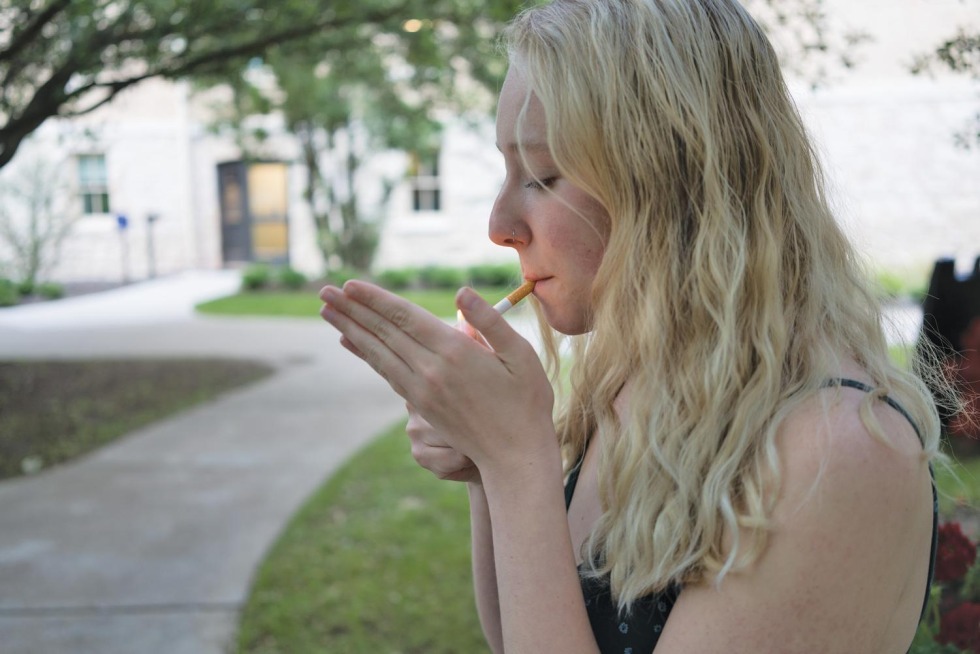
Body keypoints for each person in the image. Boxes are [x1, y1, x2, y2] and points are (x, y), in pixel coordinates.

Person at [319, 0, 944, 651]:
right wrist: (489, 466)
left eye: (540, 175)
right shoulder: (631, 384)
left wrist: (514, 460)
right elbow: (522, 636)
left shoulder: (837, 449)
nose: (500, 225)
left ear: (670, 180)